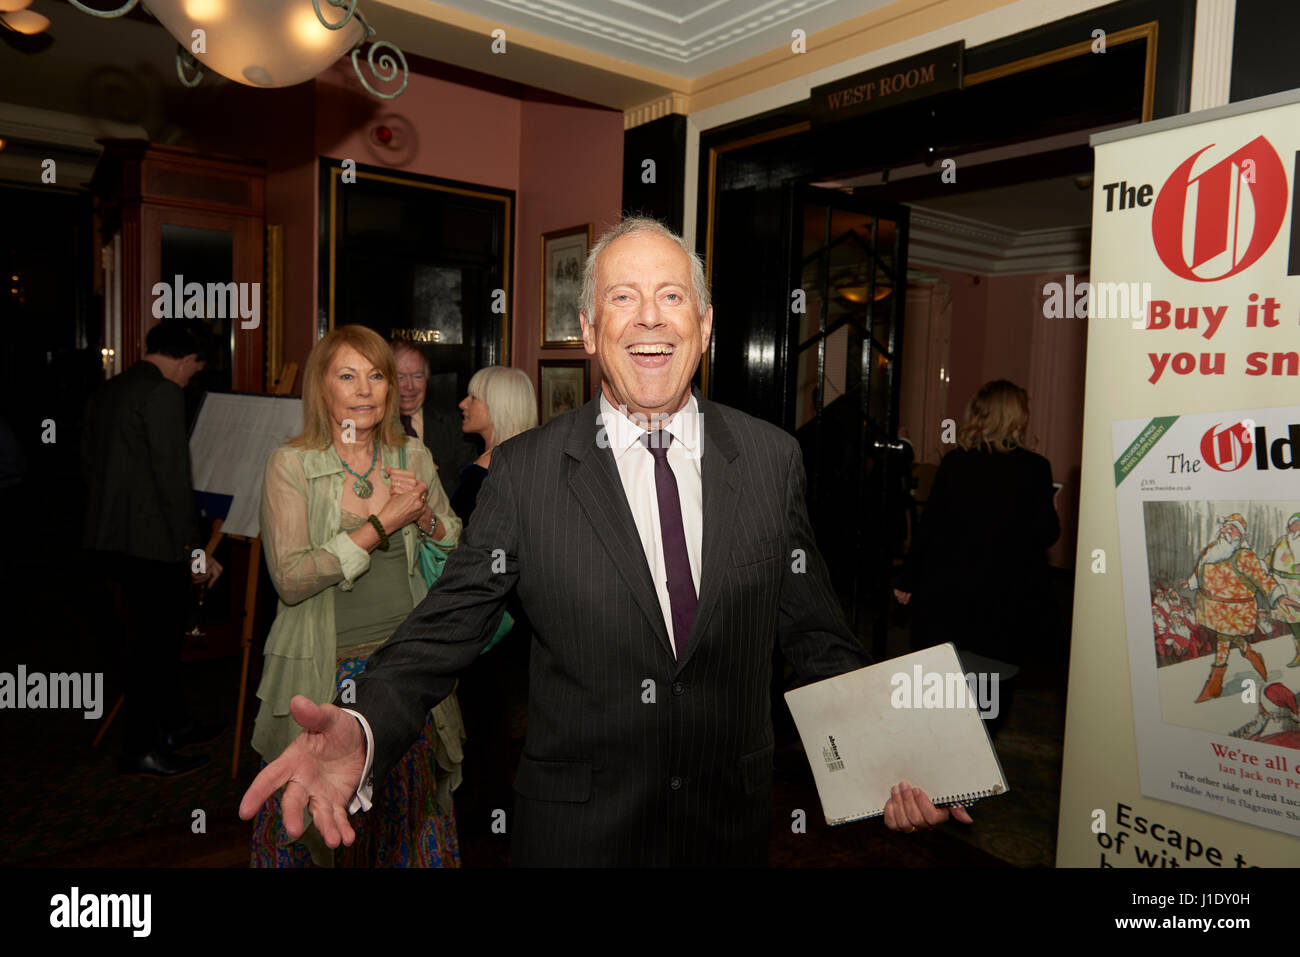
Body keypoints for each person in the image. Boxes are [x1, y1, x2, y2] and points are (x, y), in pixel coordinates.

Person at [240, 217, 969, 866]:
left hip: (728, 829)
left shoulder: (772, 461)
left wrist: (891, 756)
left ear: (706, 325)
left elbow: (815, 636)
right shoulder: (527, 472)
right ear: (589, 329)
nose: (649, 319)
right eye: (623, 297)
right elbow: (445, 628)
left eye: (671, 296)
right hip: (578, 834)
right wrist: (364, 727)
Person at [250, 325, 465, 867]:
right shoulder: (292, 465)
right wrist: (380, 524)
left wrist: (425, 518)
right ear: (323, 388)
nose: (366, 389)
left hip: (405, 669)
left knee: (410, 822)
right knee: (318, 822)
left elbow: (457, 542)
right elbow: (292, 577)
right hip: (322, 673)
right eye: (348, 376)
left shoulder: (412, 455)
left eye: (377, 376)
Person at [82, 320, 222, 777]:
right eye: (193, 371)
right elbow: (173, 483)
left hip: (108, 539)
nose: (189, 380)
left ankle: (175, 725)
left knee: (139, 644)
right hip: (154, 545)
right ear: (185, 360)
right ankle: (140, 749)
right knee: (154, 651)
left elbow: (89, 463)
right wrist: (195, 550)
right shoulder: (162, 393)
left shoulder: (111, 388)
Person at [893, 380, 1060, 731]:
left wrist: (908, 579)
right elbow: (1046, 534)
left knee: (943, 711)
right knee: (989, 712)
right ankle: (978, 779)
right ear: (1017, 417)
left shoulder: (955, 463)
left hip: (948, 604)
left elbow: (929, 528)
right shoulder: (1035, 468)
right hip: (1002, 611)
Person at [1181, 514, 1300, 703]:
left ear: (1240, 534)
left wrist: (1280, 596)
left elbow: (1262, 578)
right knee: (1226, 635)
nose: (1227, 530)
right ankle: (1250, 653)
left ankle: (1215, 682)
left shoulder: (1244, 555)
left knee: (1223, 638)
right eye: (1226, 527)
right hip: (1212, 606)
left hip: (1237, 609)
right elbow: (1200, 569)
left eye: (1232, 528)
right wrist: (1191, 582)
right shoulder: (1212, 550)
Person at [391, 338, 478, 502]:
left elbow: (472, 486)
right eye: (400, 377)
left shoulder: (453, 425)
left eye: (417, 376)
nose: (409, 386)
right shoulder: (372, 427)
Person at [451, 366, 537, 524]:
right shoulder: (534, 460)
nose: (463, 404)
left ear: (497, 406)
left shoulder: (485, 469)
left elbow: (457, 529)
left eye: (473, 398)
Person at [1266, 512, 1300, 667]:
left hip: (1298, 585)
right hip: (1283, 586)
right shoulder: (1281, 541)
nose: (1297, 527)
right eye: (1295, 523)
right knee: (1292, 621)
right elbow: (1269, 557)